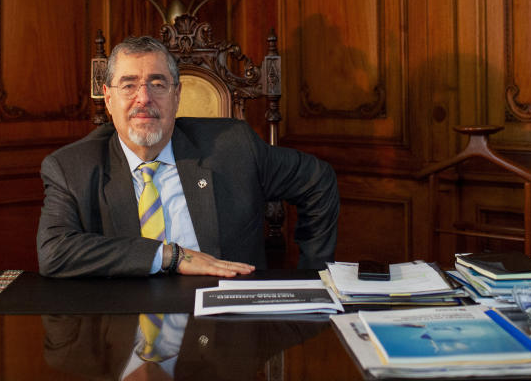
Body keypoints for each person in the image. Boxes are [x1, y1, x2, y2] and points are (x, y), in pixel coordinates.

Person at [37, 35, 339, 278]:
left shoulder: (233, 147)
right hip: (125, 327)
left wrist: (314, 277)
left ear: (177, 95)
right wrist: (170, 255)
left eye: (157, 84)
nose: (144, 99)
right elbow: (53, 253)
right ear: (108, 98)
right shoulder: (71, 167)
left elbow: (318, 180)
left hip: (227, 325)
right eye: (129, 85)